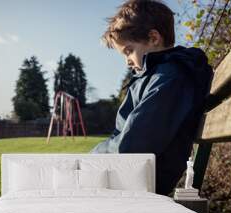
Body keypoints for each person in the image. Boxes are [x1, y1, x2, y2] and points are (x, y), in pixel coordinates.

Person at [90, 0, 213, 196]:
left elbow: (131, 148)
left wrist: (92, 156)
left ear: (153, 37)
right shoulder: (151, 77)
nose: (127, 61)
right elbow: (121, 136)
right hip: (130, 178)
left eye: (129, 50)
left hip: (139, 184)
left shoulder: (170, 78)